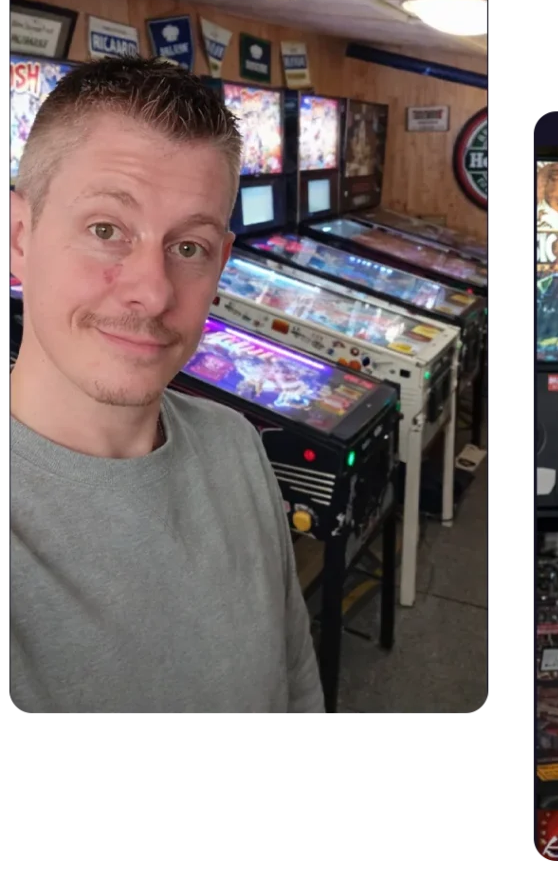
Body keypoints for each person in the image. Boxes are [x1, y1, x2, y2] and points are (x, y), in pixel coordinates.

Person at [10, 56, 325, 715]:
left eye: (189, 248)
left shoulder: (236, 446)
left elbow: (296, 680)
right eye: (105, 230)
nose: (152, 292)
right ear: (19, 234)